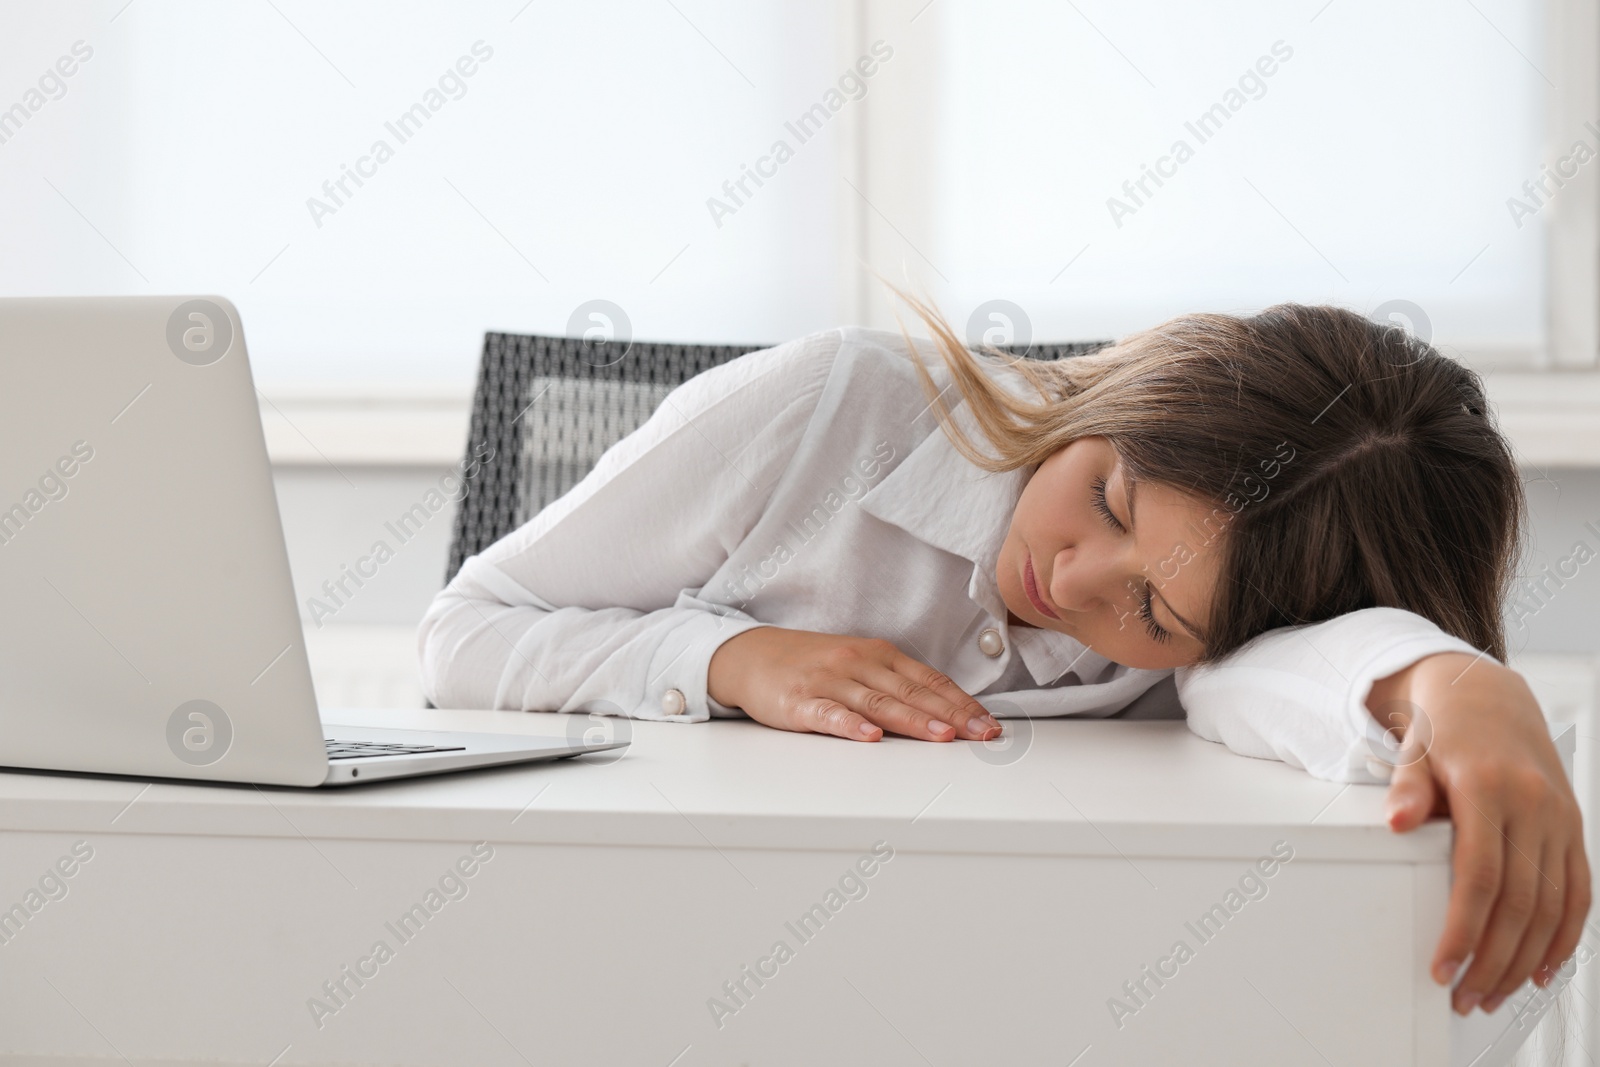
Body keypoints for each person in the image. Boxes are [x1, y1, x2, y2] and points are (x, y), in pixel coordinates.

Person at [419, 293, 1588, 1018]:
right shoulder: (830, 407)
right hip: (620, 925)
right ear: (1127, 394)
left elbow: (1286, 676)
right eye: (1109, 500)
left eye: (1151, 612)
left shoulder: (1228, 642)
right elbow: (466, 632)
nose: (1068, 581)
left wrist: (1451, 681)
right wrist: (730, 658)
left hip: (937, 978)